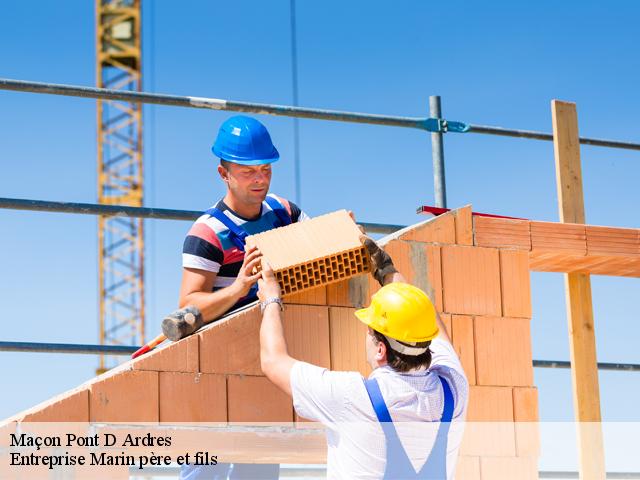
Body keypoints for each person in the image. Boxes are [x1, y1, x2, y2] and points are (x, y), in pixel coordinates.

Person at [257, 238, 469, 479]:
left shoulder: (351, 398)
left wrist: (270, 299)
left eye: (369, 330)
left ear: (381, 349)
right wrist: (387, 272)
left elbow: (273, 361)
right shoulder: (454, 388)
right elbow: (427, 322)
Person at [179, 115, 308, 480]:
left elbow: (318, 247)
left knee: (261, 465)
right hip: (217, 359)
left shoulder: (284, 214)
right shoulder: (207, 233)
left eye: (265, 169)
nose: (260, 179)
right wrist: (238, 288)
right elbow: (188, 305)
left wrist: (342, 232)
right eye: (248, 171)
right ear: (224, 173)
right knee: (206, 465)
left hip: (267, 357)